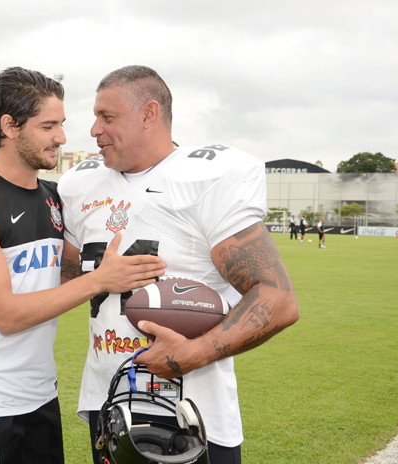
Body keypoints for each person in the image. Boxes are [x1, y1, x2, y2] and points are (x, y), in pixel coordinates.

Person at [58, 65, 299, 464]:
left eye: (108, 117)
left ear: (149, 114)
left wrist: (194, 353)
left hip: (191, 413)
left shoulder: (206, 178)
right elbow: (59, 281)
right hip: (110, 401)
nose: (94, 129)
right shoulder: (79, 185)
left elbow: (278, 298)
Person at [0, 67, 166, 464]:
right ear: (9, 126)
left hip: (39, 395)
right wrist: (100, 280)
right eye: (48, 126)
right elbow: (5, 315)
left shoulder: (55, 198)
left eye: (62, 124)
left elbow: (66, 273)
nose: (61, 136)